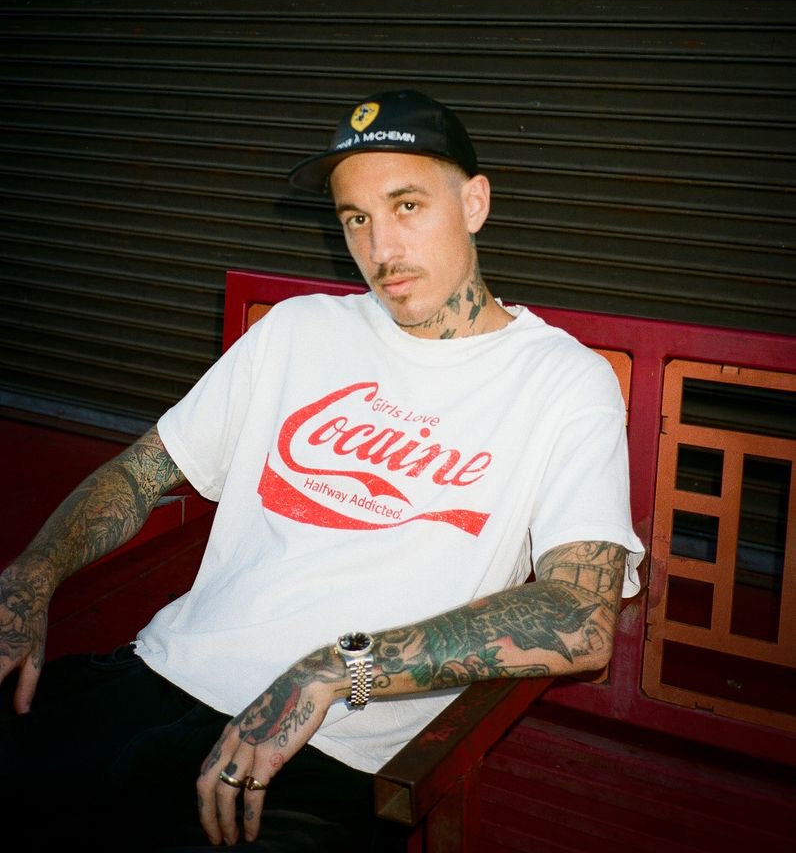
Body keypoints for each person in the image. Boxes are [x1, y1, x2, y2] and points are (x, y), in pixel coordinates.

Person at [0, 88, 644, 851]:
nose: (381, 248)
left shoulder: (562, 381)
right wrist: (33, 574)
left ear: (474, 202)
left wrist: (335, 670)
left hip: (331, 749)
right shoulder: (299, 331)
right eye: (356, 219)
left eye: (407, 205)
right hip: (162, 676)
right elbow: (141, 473)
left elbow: (578, 617)